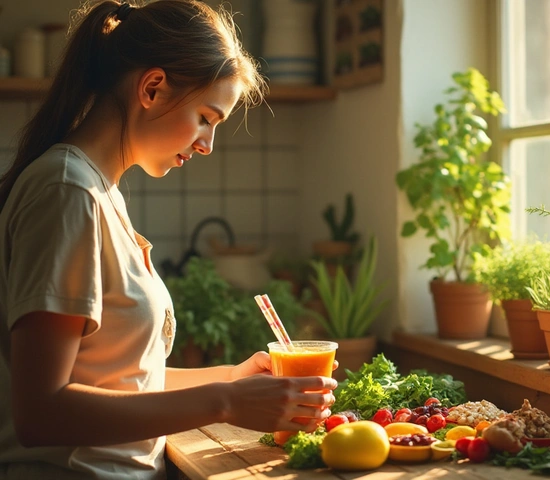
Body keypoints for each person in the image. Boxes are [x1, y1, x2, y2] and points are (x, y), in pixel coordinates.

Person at [0, 1, 338, 478]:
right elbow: (40, 412)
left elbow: (120, 381)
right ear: (152, 87)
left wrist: (231, 379)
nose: (207, 144)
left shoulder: (99, 190)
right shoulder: (67, 191)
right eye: (206, 117)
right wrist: (223, 402)